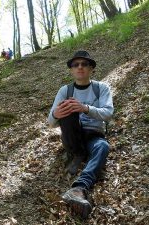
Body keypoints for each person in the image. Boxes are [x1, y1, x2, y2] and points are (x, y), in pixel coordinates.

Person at [47, 50, 114, 218]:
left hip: (94, 134)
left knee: (103, 146)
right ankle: (77, 153)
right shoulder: (66, 90)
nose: (80, 67)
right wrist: (57, 114)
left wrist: (85, 108)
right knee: (66, 107)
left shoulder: (101, 88)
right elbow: (51, 122)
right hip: (72, 135)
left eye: (84, 64)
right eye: (76, 65)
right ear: (71, 70)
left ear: (91, 68)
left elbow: (108, 113)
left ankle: (79, 188)